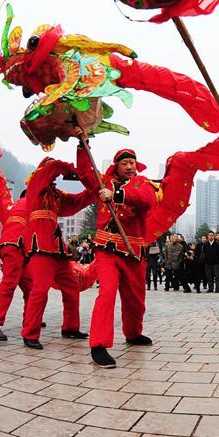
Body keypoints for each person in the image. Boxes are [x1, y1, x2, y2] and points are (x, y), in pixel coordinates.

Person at [78, 148, 157, 368]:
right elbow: (84, 173)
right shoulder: (103, 182)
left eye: (132, 162)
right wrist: (81, 146)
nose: (130, 167)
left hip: (133, 251)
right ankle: (98, 345)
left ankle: (133, 333)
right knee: (107, 292)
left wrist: (118, 195)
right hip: (106, 249)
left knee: (135, 298)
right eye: (125, 164)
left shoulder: (143, 183)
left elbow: (147, 201)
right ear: (116, 167)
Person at [20, 157, 94, 349]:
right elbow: (51, 169)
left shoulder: (55, 194)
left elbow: (76, 202)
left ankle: (70, 327)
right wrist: (69, 169)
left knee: (71, 286)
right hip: (40, 246)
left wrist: (93, 190)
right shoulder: (35, 183)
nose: (55, 176)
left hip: (56, 248)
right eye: (51, 171)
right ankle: (30, 333)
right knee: (40, 290)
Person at [0, 190, 33, 341]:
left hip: (15, 247)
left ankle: (31, 319)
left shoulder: (17, 205)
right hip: (15, 245)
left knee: (30, 287)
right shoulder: (30, 204)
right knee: (9, 283)